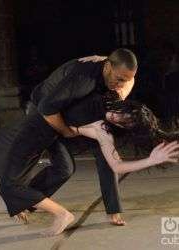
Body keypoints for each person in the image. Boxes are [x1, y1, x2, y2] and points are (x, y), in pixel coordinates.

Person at [0, 92, 179, 236]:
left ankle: (57, 212)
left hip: (45, 133)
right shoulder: (105, 98)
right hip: (44, 125)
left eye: (123, 122)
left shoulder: (104, 131)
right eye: (122, 113)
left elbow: (115, 167)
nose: (117, 118)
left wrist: (150, 159)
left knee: (9, 177)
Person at [25, 48, 136, 226]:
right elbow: (47, 108)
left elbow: (127, 80)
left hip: (74, 112)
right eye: (119, 79)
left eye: (126, 81)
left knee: (105, 151)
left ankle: (113, 210)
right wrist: (67, 132)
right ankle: (25, 200)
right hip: (44, 113)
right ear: (107, 67)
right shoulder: (83, 78)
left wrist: (120, 93)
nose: (121, 84)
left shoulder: (116, 73)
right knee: (64, 168)